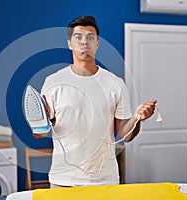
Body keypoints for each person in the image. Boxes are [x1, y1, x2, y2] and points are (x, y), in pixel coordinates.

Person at [33, 16, 157, 188]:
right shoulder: (53, 82)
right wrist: (42, 122)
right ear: (70, 43)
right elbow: (38, 134)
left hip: (105, 180)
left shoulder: (115, 83)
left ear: (97, 43)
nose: (85, 42)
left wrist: (137, 119)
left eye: (90, 37)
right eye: (78, 37)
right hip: (63, 180)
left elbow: (125, 136)